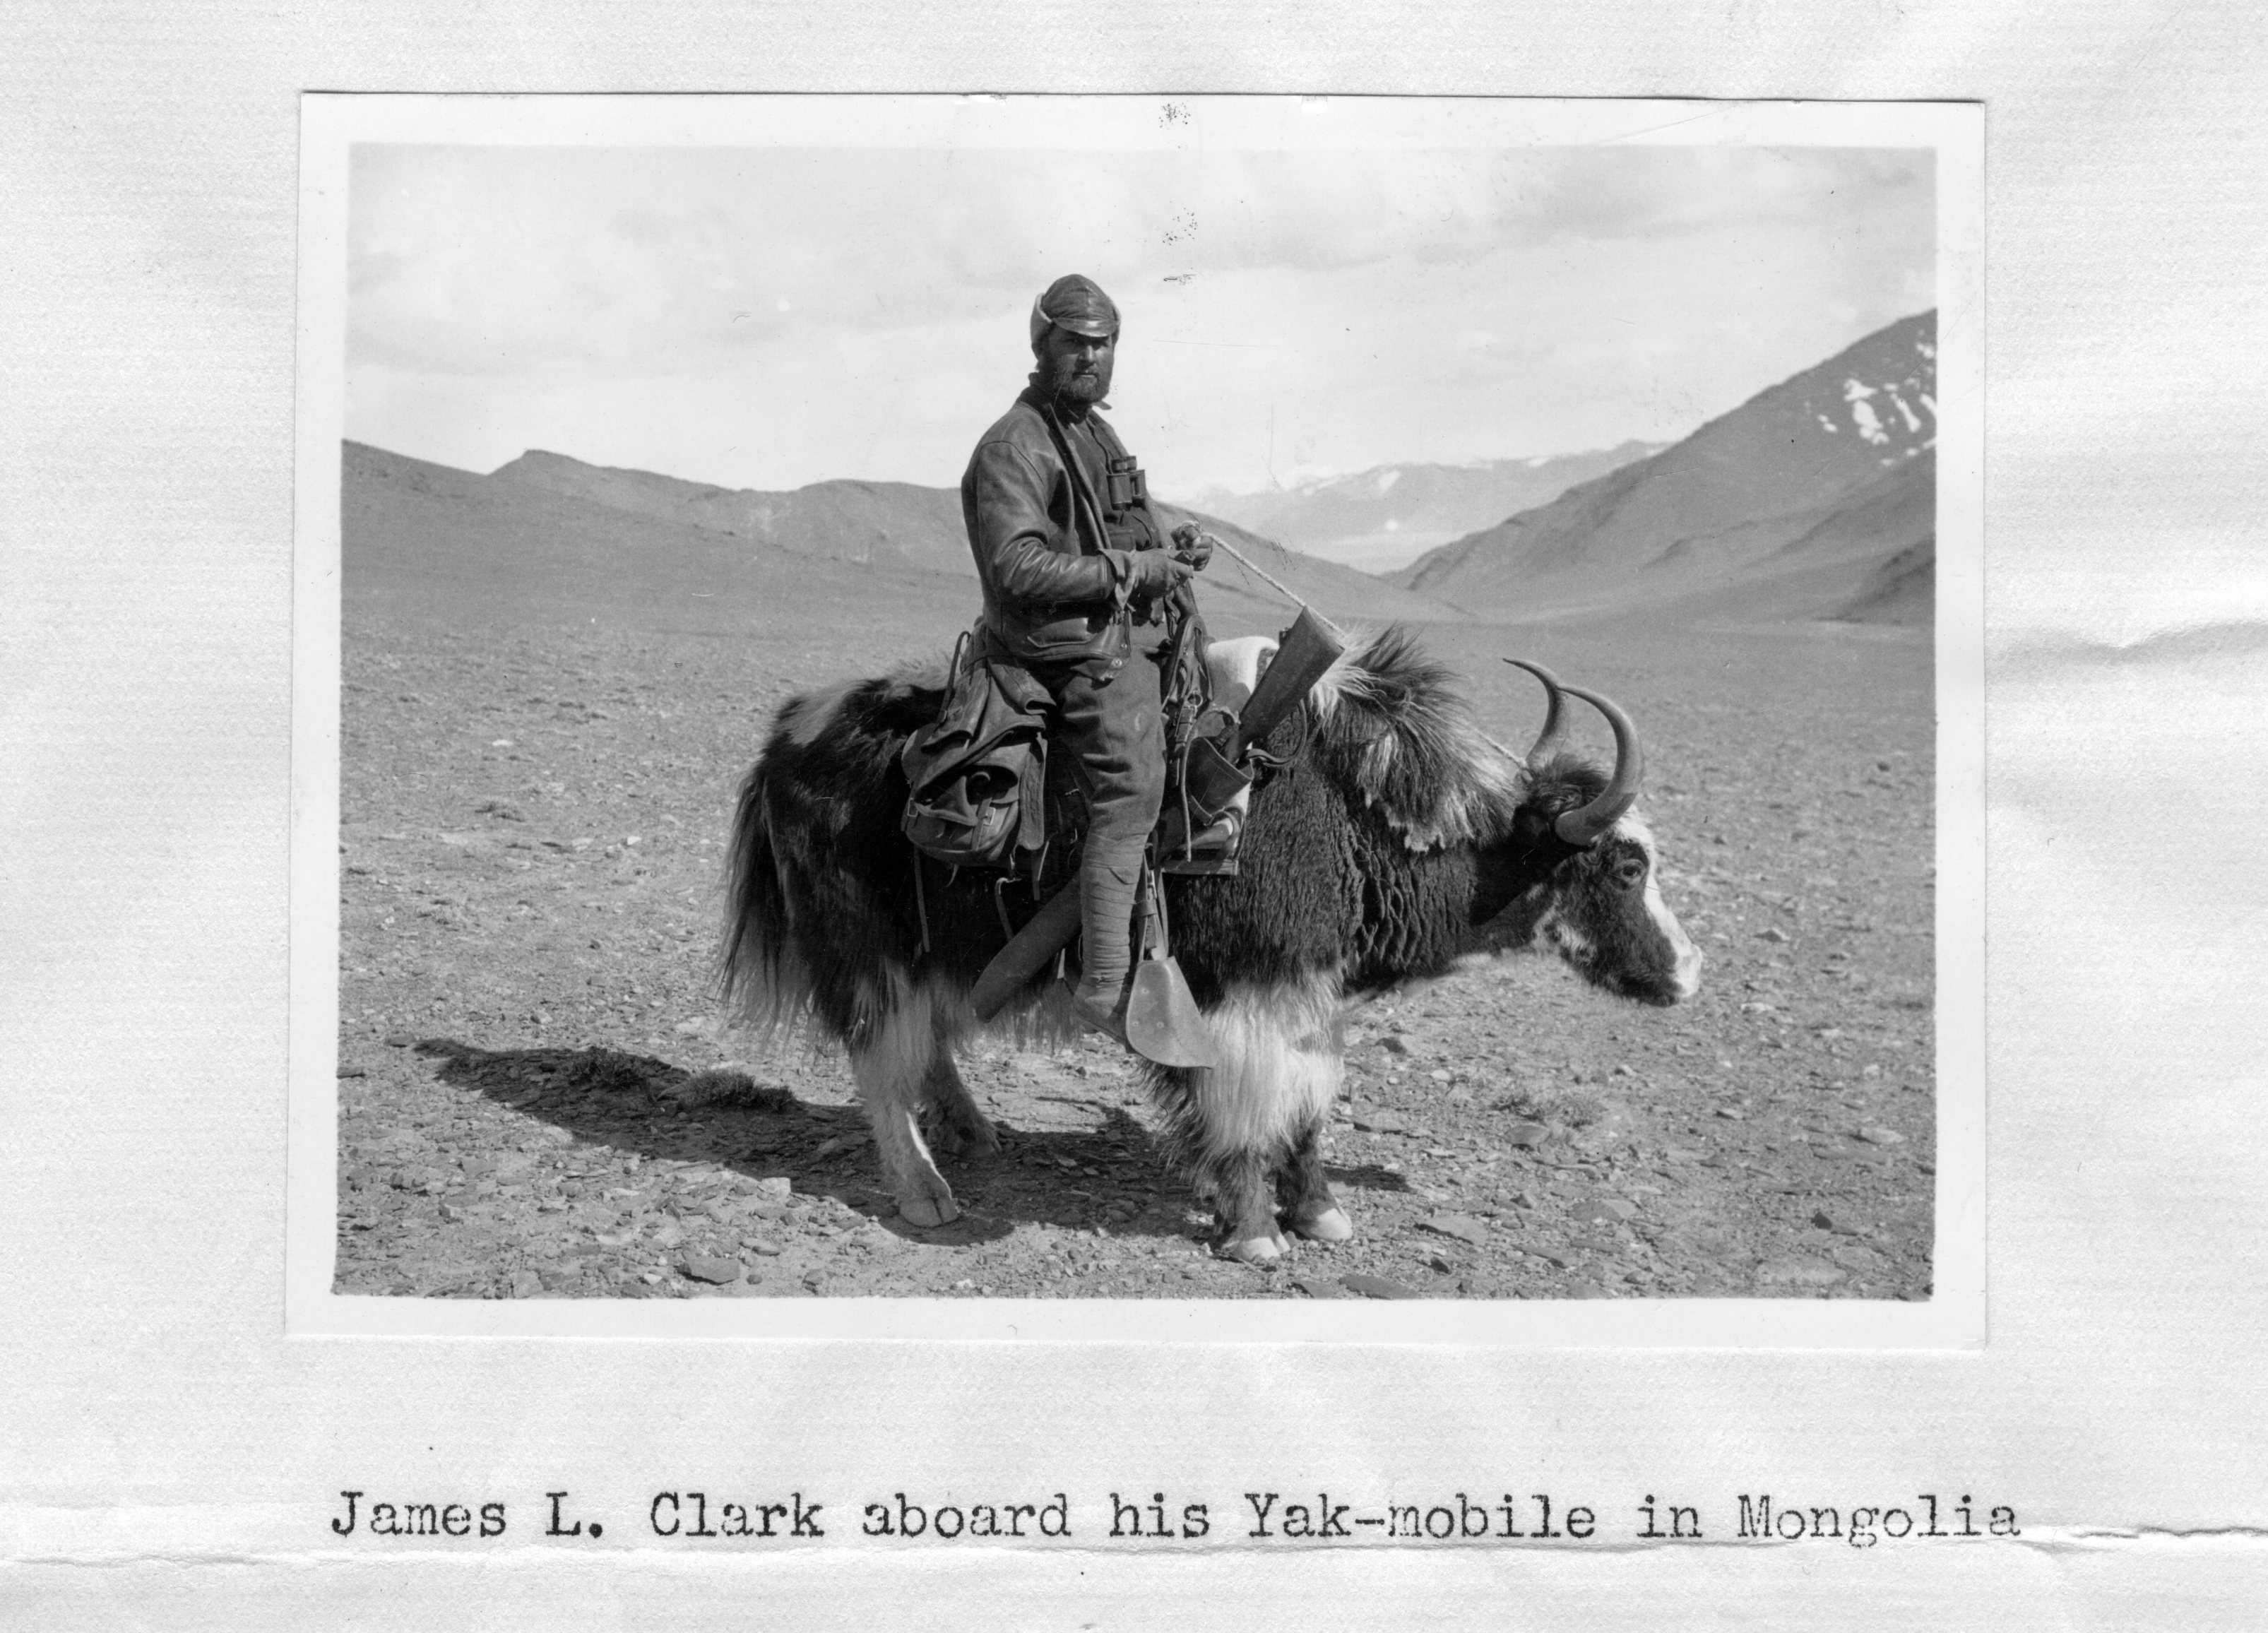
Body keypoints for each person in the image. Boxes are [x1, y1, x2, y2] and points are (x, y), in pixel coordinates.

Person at [959, 273, 1214, 1040]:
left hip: (1101, 629)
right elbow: (1016, 568)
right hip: (1058, 649)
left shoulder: (1091, 429)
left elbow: (1118, 524)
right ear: (1043, 346)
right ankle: (1104, 987)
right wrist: (1133, 573)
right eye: (1077, 342)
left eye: (1104, 344)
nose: (1092, 357)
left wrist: (1168, 543)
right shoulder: (1016, 443)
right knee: (1132, 783)